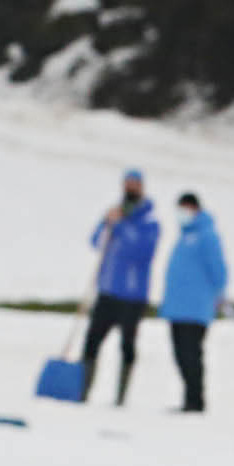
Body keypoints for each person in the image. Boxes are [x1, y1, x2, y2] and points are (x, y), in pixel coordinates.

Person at [85, 170, 159, 408]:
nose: (130, 189)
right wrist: (106, 224)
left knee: (127, 344)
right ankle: (83, 389)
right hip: (107, 290)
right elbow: (96, 242)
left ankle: (121, 396)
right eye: (127, 184)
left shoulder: (149, 222)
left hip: (132, 295)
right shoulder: (114, 214)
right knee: (92, 340)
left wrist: (121, 228)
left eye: (134, 184)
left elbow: (140, 251)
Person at [159, 191, 228, 414]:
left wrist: (217, 295)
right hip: (178, 308)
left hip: (196, 308)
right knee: (180, 355)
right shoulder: (184, 236)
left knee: (191, 355)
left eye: (185, 208)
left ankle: (195, 401)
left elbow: (219, 270)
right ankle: (188, 398)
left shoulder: (207, 235)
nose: (181, 213)